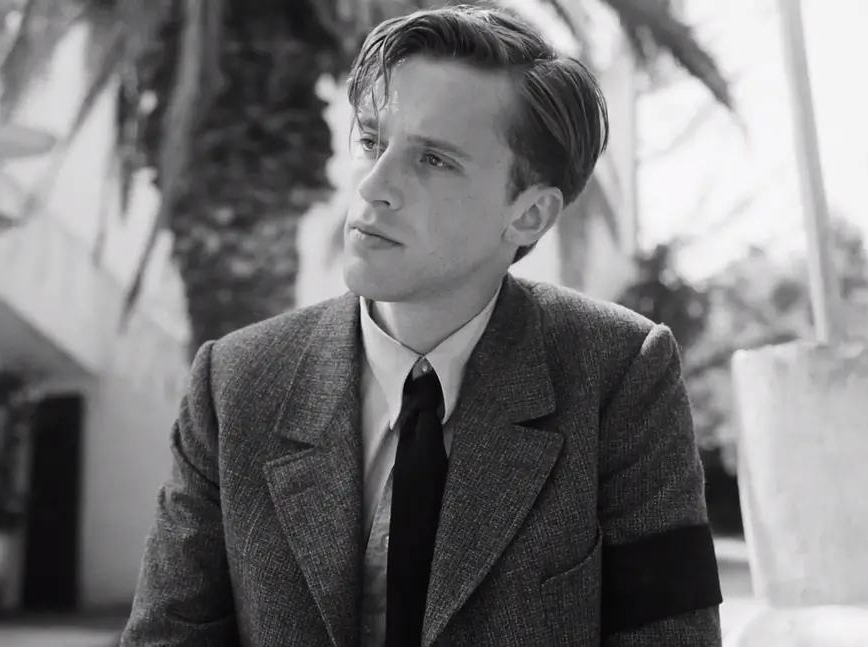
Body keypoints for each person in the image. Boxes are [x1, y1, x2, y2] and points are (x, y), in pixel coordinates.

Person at [121, 5, 723, 646]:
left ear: (529, 215)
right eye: (371, 142)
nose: (373, 186)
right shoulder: (235, 384)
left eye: (434, 159)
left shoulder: (620, 375)